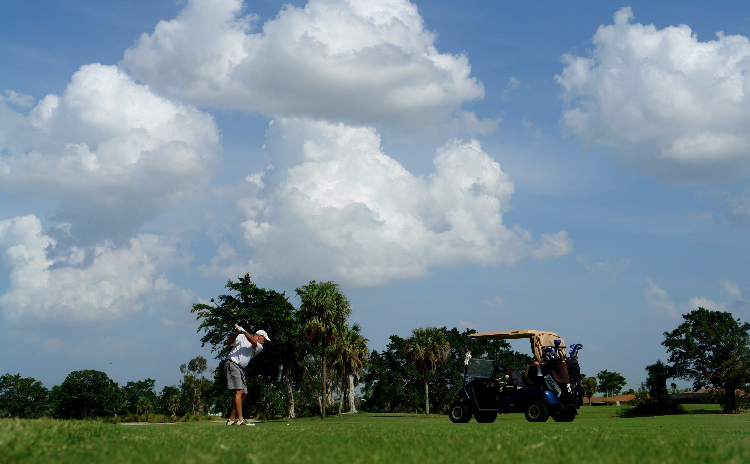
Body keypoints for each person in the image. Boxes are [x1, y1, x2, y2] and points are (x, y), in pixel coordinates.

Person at [224, 324, 271, 426]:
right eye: (265, 340)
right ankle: (240, 419)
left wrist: (244, 331)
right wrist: (237, 333)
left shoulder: (259, 347)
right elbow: (228, 342)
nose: (265, 342)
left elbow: (253, 341)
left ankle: (231, 419)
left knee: (243, 393)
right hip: (232, 364)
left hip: (240, 368)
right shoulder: (241, 337)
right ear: (259, 336)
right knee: (239, 391)